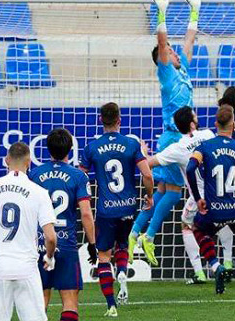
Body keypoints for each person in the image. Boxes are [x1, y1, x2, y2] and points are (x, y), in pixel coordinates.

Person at [132, 106, 235, 284]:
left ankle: (201, 272)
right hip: (222, 192)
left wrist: (143, 152)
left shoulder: (176, 149)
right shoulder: (209, 135)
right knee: (226, 222)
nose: (197, 118)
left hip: (200, 197)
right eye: (195, 117)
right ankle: (227, 262)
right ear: (192, 124)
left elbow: (147, 165)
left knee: (187, 225)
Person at [136, 0, 201, 264]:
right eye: (169, 52)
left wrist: (194, 9)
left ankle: (135, 233)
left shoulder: (181, 67)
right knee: (174, 194)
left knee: (163, 192)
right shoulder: (166, 73)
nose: (175, 52)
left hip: (177, 138)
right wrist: (161, 11)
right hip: (174, 138)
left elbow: (188, 40)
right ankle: (149, 237)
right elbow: (163, 44)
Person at [0, 142, 57, 321]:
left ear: (6, 160)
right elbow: (51, 237)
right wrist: (49, 256)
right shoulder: (39, 192)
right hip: (27, 269)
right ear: (29, 162)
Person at [79, 102, 154, 317]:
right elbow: (147, 175)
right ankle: (122, 272)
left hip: (105, 209)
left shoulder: (91, 147)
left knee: (104, 256)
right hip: (129, 207)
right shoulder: (131, 144)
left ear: (101, 121)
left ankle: (111, 305)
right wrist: (148, 196)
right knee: (123, 244)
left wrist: (86, 197)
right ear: (120, 120)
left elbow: (81, 176)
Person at [29, 128, 97, 321]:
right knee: (69, 301)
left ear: (48, 149)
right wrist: (92, 245)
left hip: (41, 243)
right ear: (70, 149)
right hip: (66, 245)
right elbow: (85, 213)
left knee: (40, 299)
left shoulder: (34, 175)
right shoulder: (79, 176)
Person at [185, 105, 235, 294]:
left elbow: (190, 168)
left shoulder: (205, 147)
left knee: (196, 228)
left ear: (216, 124)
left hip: (214, 211)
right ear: (233, 125)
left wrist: (198, 198)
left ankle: (215, 265)